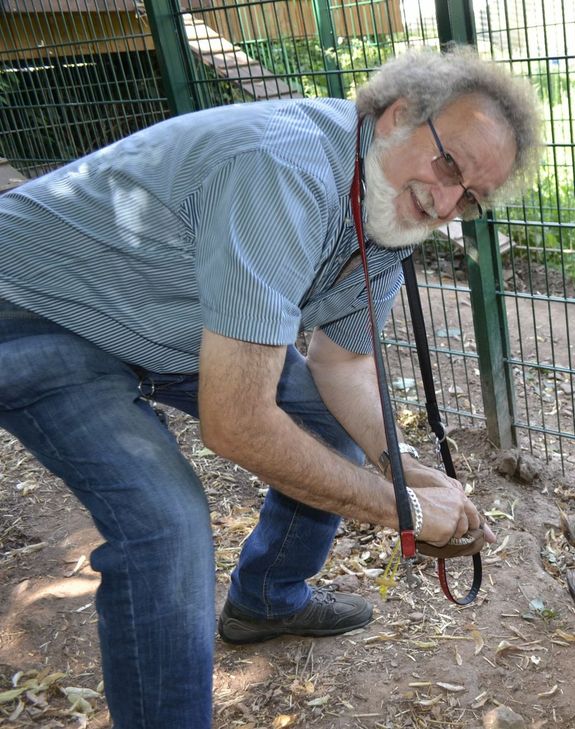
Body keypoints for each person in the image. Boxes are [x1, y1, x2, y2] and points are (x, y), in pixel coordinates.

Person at [0, 46, 540, 728]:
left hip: (170, 325)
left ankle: (267, 596)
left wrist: (406, 468)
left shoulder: (383, 217)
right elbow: (237, 422)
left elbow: (342, 366)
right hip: (35, 309)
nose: (446, 202)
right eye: (450, 165)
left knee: (327, 421)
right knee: (164, 526)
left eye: (471, 198)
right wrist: (399, 506)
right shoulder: (283, 168)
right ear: (400, 116)